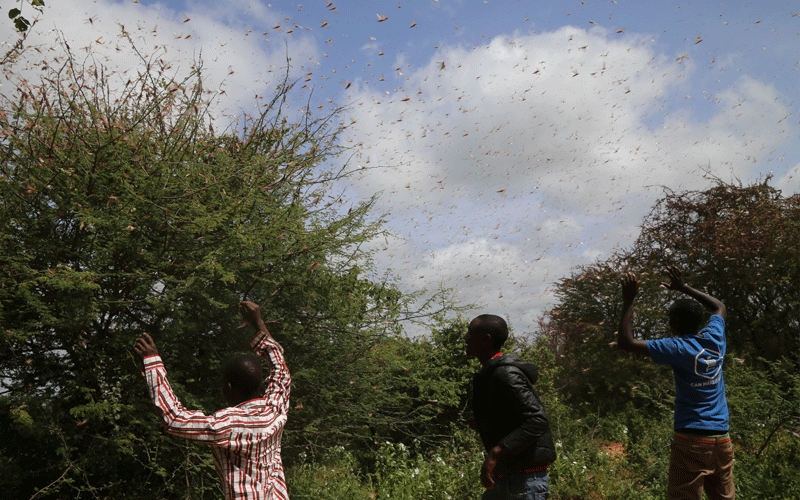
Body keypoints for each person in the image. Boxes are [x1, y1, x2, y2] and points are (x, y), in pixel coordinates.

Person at [134, 301, 291, 500]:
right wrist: (258, 321)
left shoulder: (230, 425)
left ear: (229, 387)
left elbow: (174, 419)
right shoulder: (276, 407)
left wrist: (152, 362)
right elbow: (280, 368)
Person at [617, 265, 734, 500]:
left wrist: (629, 301)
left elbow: (626, 342)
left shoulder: (677, 347)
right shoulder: (715, 336)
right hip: (722, 439)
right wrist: (684, 288)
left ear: (676, 324)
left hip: (691, 440)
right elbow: (718, 306)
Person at [464, 314, 556, 500]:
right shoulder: (489, 373)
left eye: (470, 333)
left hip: (524, 482)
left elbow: (537, 420)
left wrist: (496, 453)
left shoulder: (505, 373)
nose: (466, 337)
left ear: (485, 340)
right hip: (505, 480)